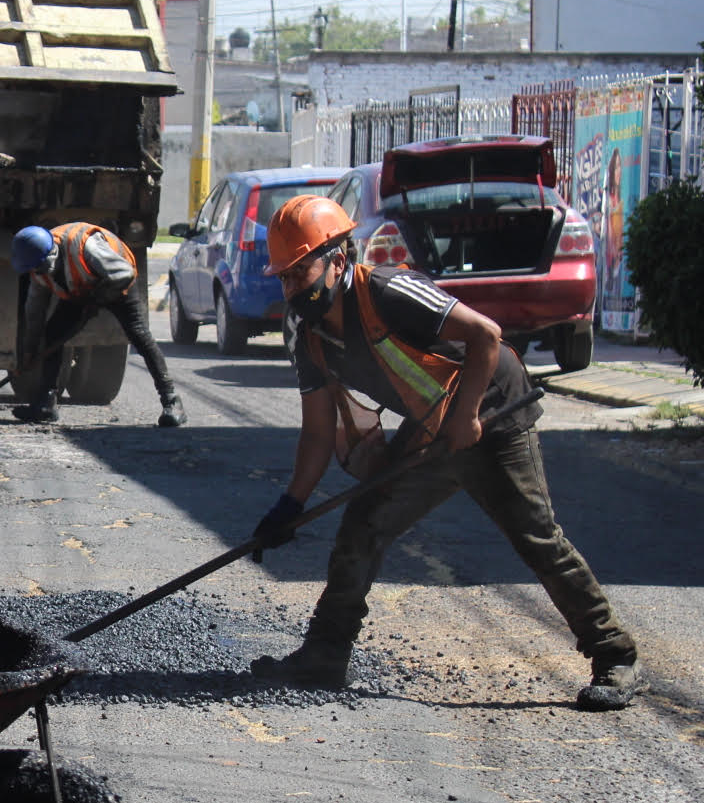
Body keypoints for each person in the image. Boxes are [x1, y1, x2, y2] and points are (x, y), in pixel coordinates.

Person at [247, 194, 641, 711]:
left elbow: (486, 336)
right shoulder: (307, 333)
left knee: (536, 538)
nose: (292, 286)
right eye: (285, 276)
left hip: (494, 408)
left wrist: (467, 416)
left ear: (338, 259)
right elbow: (318, 432)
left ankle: (616, 656)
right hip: (435, 421)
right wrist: (288, 509)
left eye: (301, 272)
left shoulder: (389, 290)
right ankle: (323, 655)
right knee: (364, 525)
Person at [7, 222, 186, 428]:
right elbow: (34, 314)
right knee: (53, 334)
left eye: (42, 266)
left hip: (116, 284)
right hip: (81, 289)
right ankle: (46, 404)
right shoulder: (38, 269)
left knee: (139, 335)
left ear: (52, 253)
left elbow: (123, 274)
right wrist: (31, 351)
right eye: (35, 269)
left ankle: (172, 401)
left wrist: (97, 299)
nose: (40, 273)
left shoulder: (85, 245)